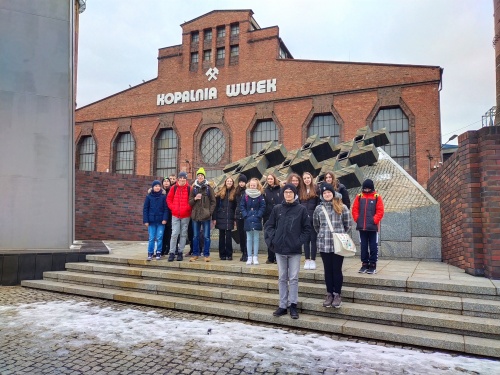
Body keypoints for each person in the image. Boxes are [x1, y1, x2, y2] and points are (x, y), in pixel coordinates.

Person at [264, 183, 311, 319]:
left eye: (291, 192)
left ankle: (293, 305)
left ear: (295, 194)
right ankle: (283, 305)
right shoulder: (277, 209)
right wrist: (274, 240)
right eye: (286, 192)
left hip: (294, 250)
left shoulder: (301, 209)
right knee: (282, 278)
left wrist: (298, 241)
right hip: (280, 249)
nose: (288, 194)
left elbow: (307, 229)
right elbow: (269, 226)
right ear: (283, 194)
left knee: (294, 278)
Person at [313, 183, 353, 308]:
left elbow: (348, 225)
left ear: (333, 193)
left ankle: (337, 294)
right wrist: (323, 235)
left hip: (338, 245)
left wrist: (339, 236)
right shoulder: (318, 209)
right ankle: (329, 293)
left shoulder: (342, 207)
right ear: (322, 195)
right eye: (324, 193)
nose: (327, 194)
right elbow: (316, 225)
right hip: (324, 244)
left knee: (336, 270)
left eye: (329, 192)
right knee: (327, 270)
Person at [351, 178, 385, 274]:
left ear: (372, 188)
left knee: (373, 246)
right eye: (365, 188)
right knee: (364, 246)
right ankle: (364, 264)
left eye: (368, 188)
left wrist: (374, 220)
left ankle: (373, 265)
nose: (366, 190)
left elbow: (380, 211)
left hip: (373, 228)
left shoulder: (376, 197)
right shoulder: (359, 197)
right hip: (362, 227)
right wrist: (358, 219)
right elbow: (355, 210)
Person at [189, 167, 216, 262]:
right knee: (195, 236)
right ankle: (195, 254)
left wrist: (210, 212)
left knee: (206, 236)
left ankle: (206, 254)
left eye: (201, 175)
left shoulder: (209, 188)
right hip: (196, 216)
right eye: (199, 175)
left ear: (204, 177)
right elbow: (190, 202)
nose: (200, 177)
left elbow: (213, 201)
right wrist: (195, 198)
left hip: (206, 216)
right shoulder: (194, 188)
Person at [166, 171, 192, 262]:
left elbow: (192, 201)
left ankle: (180, 252)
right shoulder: (174, 188)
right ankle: (172, 252)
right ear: (178, 179)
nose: (182, 179)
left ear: (186, 179)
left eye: (183, 178)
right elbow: (169, 199)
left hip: (186, 215)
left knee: (183, 234)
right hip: (175, 215)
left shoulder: (189, 188)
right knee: (174, 234)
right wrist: (173, 208)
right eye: (180, 178)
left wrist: (187, 208)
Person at [240, 177, 266, 265]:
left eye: (254, 185)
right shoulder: (246, 195)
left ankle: (255, 256)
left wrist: (259, 215)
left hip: (257, 219)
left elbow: (263, 206)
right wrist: (245, 215)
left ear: (257, 186)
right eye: (251, 185)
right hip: (248, 219)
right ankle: (249, 257)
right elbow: (242, 206)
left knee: (256, 238)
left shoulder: (260, 195)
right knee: (249, 239)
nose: (252, 186)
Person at [143, 180, 169, 261]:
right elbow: (145, 209)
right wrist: (146, 220)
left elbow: (166, 209)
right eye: (155, 186)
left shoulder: (163, 197)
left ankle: (158, 252)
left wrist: (165, 219)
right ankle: (150, 253)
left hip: (161, 221)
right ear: (152, 187)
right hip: (151, 221)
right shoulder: (148, 197)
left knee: (159, 237)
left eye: (158, 186)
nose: (157, 187)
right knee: (151, 238)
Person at [213, 176, 237, 260]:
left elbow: (235, 207)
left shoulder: (234, 193)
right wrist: (214, 218)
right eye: (228, 181)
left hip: (230, 217)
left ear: (233, 183)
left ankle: (229, 254)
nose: (229, 183)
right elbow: (215, 207)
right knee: (221, 236)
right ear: (225, 182)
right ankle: (222, 254)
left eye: (231, 181)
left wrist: (235, 219)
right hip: (221, 217)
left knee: (229, 236)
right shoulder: (220, 193)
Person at [300, 172, 320, 270]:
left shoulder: (316, 189)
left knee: (313, 240)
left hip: (313, 219)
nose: (307, 180)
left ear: (311, 178)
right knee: (306, 241)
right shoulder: (301, 190)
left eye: (308, 178)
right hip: (304, 220)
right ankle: (307, 259)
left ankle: (313, 260)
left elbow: (318, 204)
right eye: (305, 178)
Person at [263, 174, 281, 264]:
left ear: (274, 179)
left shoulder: (279, 190)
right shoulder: (265, 191)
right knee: (269, 237)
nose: (270, 180)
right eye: (268, 179)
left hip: (278, 217)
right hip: (268, 217)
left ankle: (278, 258)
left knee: (278, 237)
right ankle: (270, 257)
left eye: (271, 179)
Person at [234, 175, 248, 262]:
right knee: (240, 235)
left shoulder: (247, 191)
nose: (241, 183)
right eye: (240, 182)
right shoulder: (237, 192)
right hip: (238, 216)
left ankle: (246, 252)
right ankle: (242, 251)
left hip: (245, 216)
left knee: (246, 235)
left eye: (243, 182)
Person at [161, 177, 173, 256]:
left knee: (169, 233)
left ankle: (168, 249)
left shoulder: (172, 191)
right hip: (162, 215)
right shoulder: (160, 191)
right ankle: (162, 249)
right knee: (162, 233)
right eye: (164, 181)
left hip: (170, 214)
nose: (166, 183)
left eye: (167, 181)